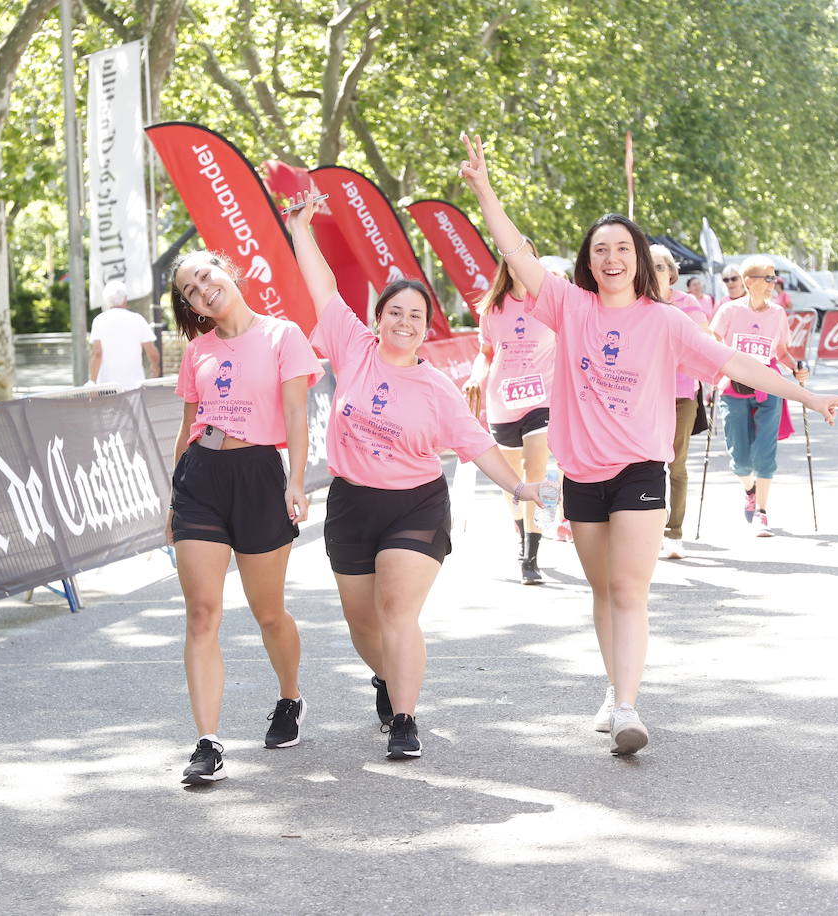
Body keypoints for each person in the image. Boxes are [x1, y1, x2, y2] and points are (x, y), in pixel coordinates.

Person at [457, 133, 838, 755]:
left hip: (641, 469)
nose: (612, 258)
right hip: (582, 475)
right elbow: (514, 251)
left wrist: (808, 396)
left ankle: (625, 708)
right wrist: (484, 189)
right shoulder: (567, 306)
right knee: (600, 592)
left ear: (639, 257)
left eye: (623, 248)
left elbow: (739, 365)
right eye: (601, 250)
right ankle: (613, 685)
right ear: (589, 263)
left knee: (628, 590)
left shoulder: (668, 320)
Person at [287, 190, 546, 760]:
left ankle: (405, 718)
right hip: (352, 504)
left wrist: (522, 487)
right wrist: (302, 228)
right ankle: (387, 677)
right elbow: (323, 289)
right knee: (362, 624)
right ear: (378, 318)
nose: (404, 322)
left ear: (426, 328)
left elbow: (477, 446)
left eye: (415, 316)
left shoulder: (437, 388)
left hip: (415, 506)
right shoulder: (353, 348)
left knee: (396, 610)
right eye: (394, 312)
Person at [167, 249, 323, 786]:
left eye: (205, 276)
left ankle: (290, 697)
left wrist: (297, 481)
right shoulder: (196, 352)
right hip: (201, 480)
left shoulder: (283, 336)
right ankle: (208, 743)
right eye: (190, 290)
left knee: (269, 613)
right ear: (191, 306)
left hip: (259, 476)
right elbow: (187, 427)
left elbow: (298, 414)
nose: (202, 289)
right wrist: (173, 496)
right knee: (202, 614)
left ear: (228, 273)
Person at [460, 238, 556, 584]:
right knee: (511, 483)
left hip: (541, 399)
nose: (521, 261)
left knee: (537, 472)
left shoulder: (550, 301)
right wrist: (475, 377)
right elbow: (485, 353)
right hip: (502, 402)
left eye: (527, 254)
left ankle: (530, 556)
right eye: (514, 256)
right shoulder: (492, 308)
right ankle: (522, 532)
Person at [711, 256, 810, 538]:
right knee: (740, 459)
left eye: (773, 278)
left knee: (764, 454)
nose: (772, 283)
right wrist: (714, 378)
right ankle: (749, 490)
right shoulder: (728, 312)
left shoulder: (778, 313)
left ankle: (762, 512)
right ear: (748, 281)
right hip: (735, 386)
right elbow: (712, 346)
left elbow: (780, 353)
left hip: (769, 387)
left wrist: (796, 368)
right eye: (767, 278)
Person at [651, 245, 713, 561]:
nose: (655, 271)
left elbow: (703, 337)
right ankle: (646, 529)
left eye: (661, 266)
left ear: (672, 273)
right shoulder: (634, 301)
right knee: (646, 466)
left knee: (675, 465)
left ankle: (673, 533)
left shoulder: (686, 303)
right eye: (649, 265)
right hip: (643, 396)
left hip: (681, 394)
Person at [89, 279, 162, 390]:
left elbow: (97, 353)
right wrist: (155, 372)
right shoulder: (138, 319)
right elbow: (152, 352)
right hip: (134, 386)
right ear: (125, 300)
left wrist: (92, 382)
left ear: (107, 301)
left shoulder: (99, 320)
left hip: (106, 387)